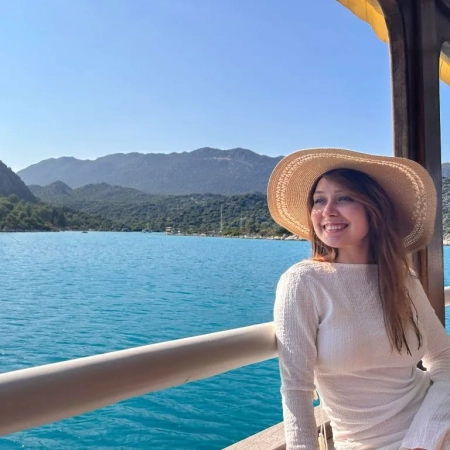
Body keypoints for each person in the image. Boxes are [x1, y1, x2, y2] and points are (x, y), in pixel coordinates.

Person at [267, 148, 450, 450]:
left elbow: (443, 359)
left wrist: (424, 438)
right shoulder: (303, 282)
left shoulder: (402, 280)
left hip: (433, 429)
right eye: (319, 200)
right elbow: (296, 389)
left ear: (373, 209)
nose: (327, 211)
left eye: (344, 198)